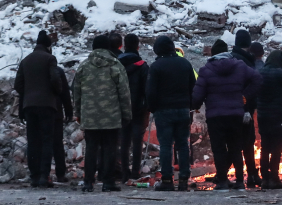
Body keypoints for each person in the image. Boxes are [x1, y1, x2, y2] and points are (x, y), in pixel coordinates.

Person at [192, 39, 262, 191]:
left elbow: (197, 96)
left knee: (219, 149)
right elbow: (257, 78)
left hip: (215, 116)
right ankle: (239, 182)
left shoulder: (206, 70)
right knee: (236, 147)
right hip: (236, 114)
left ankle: (222, 181)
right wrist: (245, 96)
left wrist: (194, 106)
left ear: (213, 53)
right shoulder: (240, 66)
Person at [72, 35, 132, 193]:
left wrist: (79, 112)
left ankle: (88, 182)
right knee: (110, 149)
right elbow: (124, 93)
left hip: (90, 116)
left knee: (91, 149)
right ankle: (108, 182)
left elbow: (76, 92)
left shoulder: (84, 66)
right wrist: (126, 114)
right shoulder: (115, 65)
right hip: (111, 116)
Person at [147, 35, 197, 191]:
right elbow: (193, 87)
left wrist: (152, 107)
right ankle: (183, 179)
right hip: (183, 110)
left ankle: (167, 180)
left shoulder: (156, 66)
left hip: (164, 111)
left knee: (166, 145)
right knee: (183, 145)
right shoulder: (185, 64)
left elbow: (150, 91)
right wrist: (191, 106)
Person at [14, 30, 62, 188]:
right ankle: (44, 175)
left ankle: (34, 176)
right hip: (47, 105)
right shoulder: (50, 59)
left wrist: (28, 94)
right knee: (47, 140)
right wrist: (55, 92)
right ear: (48, 46)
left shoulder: (26, 60)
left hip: (29, 106)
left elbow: (17, 85)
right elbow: (55, 78)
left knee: (33, 141)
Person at [257, 49, 282, 189]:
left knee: (265, 147)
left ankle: (264, 178)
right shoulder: (279, 73)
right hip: (277, 115)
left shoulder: (260, 72)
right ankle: (274, 177)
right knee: (277, 147)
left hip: (262, 115)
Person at [118, 34, 149, 183]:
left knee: (124, 140)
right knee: (137, 141)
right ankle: (135, 172)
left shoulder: (116, 65)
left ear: (124, 45)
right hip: (139, 109)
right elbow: (147, 89)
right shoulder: (142, 65)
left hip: (121, 108)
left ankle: (124, 172)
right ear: (138, 46)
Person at [232, 30, 261, 187]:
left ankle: (238, 177)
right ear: (249, 44)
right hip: (243, 109)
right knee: (248, 144)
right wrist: (248, 107)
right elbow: (252, 85)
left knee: (234, 143)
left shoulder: (231, 59)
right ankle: (251, 175)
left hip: (229, 108)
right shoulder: (247, 62)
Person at [53, 65, 73, 184]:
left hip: (33, 110)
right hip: (55, 110)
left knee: (37, 143)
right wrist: (68, 111)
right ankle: (60, 174)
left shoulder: (27, 65)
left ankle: (39, 175)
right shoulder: (58, 70)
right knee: (57, 144)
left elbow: (20, 87)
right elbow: (65, 92)